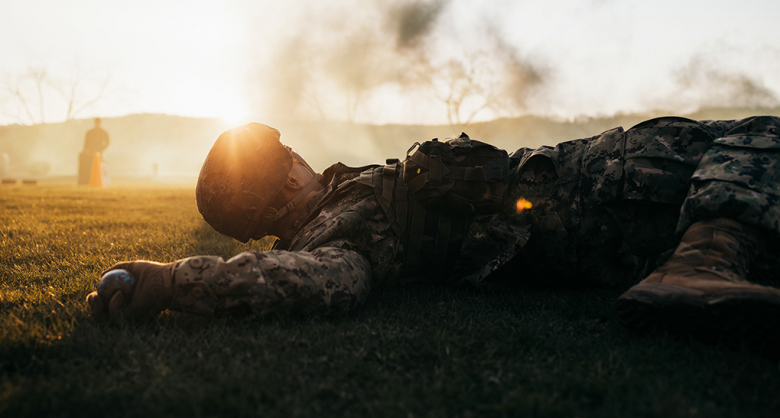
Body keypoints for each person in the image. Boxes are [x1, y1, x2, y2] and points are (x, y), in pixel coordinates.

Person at [86, 116, 780, 344]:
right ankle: (701, 265)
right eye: (285, 161)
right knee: (760, 138)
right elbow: (322, 283)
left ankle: (705, 258)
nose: (298, 161)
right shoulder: (342, 227)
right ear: (281, 183)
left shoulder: (341, 204)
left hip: (593, 204)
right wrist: (171, 279)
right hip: (592, 189)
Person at [78, 118, 110, 185]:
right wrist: (85, 150)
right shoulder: (90, 132)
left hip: (99, 152)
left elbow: (107, 142)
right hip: (90, 152)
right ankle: (89, 181)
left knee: (100, 166)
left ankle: (101, 180)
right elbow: (86, 142)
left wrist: (101, 148)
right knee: (90, 166)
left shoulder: (103, 132)